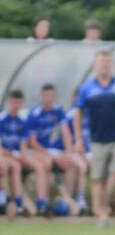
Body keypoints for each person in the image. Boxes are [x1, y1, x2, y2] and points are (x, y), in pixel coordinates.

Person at [74, 50, 115, 228]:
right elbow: (78, 113)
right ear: (96, 65)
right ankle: (102, 215)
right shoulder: (87, 88)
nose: (104, 65)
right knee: (99, 178)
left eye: (107, 62)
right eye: (101, 62)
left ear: (111, 64)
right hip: (97, 140)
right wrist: (79, 139)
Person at [26, 83, 81, 214]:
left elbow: (65, 132)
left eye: (51, 95)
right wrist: (47, 154)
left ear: (55, 97)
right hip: (37, 151)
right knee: (46, 164)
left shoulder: (58, 110)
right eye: (46, 95)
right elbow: (32, 142)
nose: (49, 98)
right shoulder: (34, 113)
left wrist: (68, 152)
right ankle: (42, 203)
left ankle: (67, 201)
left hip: (52, 151)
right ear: (42, 97)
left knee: (71, 163)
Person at [0, 90, 32, 216]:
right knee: (4, 165)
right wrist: (10, 154)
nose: (16, 105)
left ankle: (18, 203)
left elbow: (23, 145)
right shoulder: (2, 119)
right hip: (4, 156)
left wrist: (22, 156)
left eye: (18, 102)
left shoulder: (22, 121)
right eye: (14, 102)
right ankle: (5, 200)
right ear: (9, 102)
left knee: (18, 165)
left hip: (13, 156)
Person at [65, 89, 92, 215]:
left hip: (88, 152)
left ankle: (101, 203)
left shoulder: (91, 113)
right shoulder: (71, 115)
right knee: (82, 166)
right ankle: (79, 199)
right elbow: (68, 140)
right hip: (72, 152)